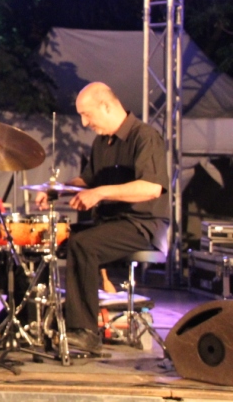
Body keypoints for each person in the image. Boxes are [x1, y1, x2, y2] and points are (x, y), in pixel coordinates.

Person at [36, 81, 169, 354]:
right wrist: (56, 191)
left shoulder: (145, 137)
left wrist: (100, 193)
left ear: (106, 106)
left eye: (87, 114)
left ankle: (85, 332)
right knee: (46, 238)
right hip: (109, 224)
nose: (84, 123)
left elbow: (152, 188)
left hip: (141, 224)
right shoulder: (101, 143)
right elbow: (87, 180)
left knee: (83, 243)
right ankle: (36, 319)